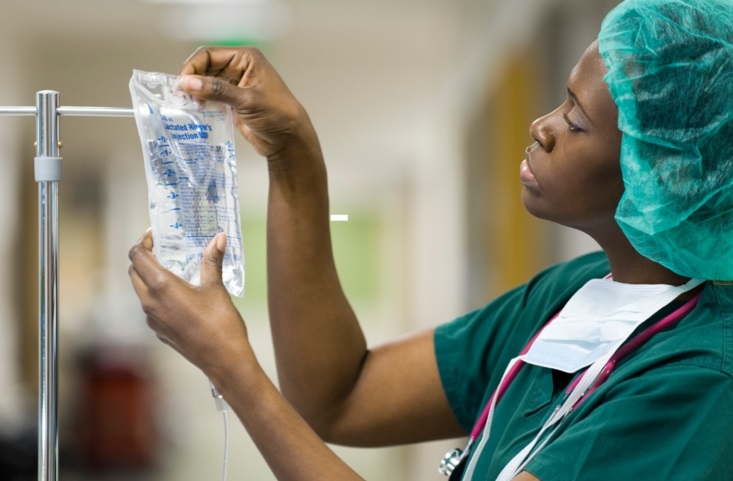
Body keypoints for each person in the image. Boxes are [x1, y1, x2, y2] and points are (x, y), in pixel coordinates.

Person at [127, 0, 733, 479]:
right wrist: (293, 153)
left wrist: (230, 366)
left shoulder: (700, 378)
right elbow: (339, 394)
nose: (541, 127)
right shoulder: (578, 293)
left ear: (671, 169)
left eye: (575, 120)